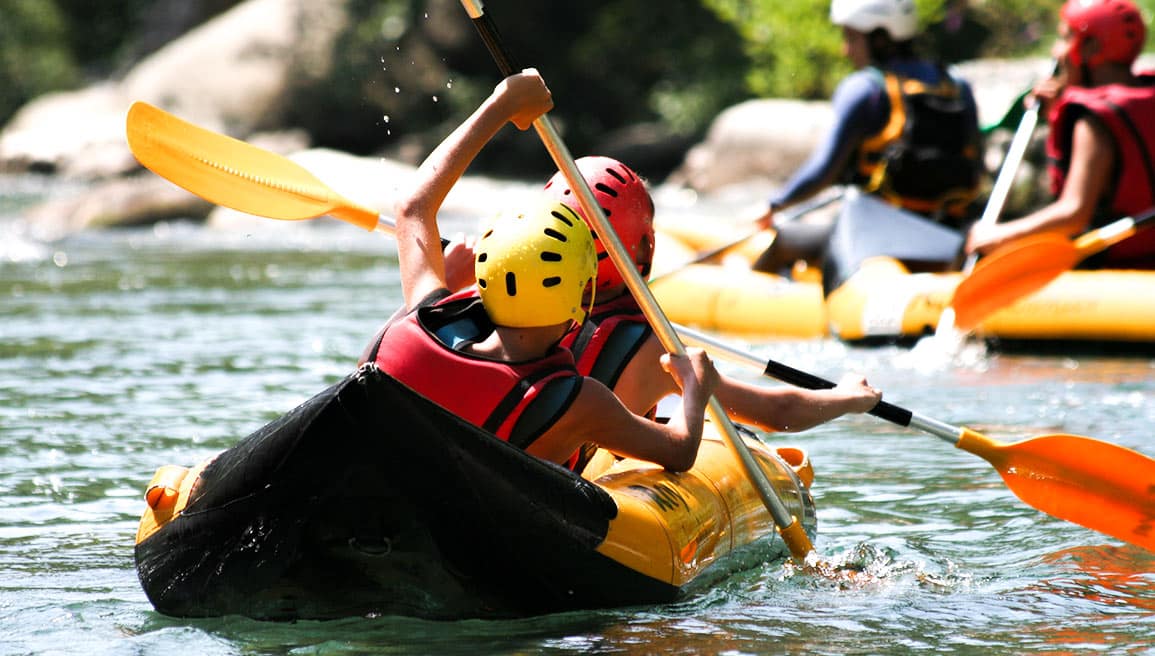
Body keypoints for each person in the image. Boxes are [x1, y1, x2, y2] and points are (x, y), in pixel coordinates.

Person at [359, 69, 719, 473]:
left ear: (483, 278)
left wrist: (501, 106)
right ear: (582, 299)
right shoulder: (577, 401)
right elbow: (680, 451)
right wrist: (694, 390)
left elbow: (411, 207)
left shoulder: (416, 322)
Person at [542, 156, 882, 450]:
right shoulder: (655, 351)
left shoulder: (514, 311)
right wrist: (846, 398)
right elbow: (778, 414)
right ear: (645, 247)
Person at [750, 0, 982, 277]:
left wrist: (774, 205)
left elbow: (823, 170)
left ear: (880, 38)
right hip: (949, 236)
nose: (845, 49)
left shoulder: (864, 89)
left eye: (851, 37)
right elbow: (976, 165)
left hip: (875, 238)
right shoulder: (957, 85)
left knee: (786, 241)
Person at [965, 0, 1155, 269]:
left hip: (1117, 268)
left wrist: (997, 236)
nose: (1057, 50)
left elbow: (1074, 214)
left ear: (1093, 48)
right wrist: (1059, 112)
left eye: (1066, 37)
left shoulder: (1092, 120)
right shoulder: (1145, 94)